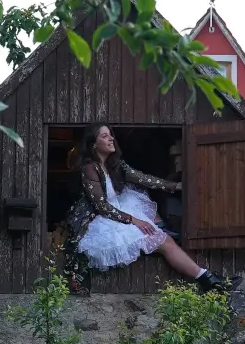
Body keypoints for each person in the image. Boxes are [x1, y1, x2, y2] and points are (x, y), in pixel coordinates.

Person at [67, 124, 235, 293]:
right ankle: (209, 280)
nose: (111, 138)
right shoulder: (90, 168)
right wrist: (134, 220)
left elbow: (144, 179)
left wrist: (176, 186)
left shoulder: (115, 164)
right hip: (97, 220)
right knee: (164, 241)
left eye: (111, 134)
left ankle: (206, 277)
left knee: (151, 215)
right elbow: (101, 206)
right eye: (104, 136)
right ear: (93, 144)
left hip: (117, 209)